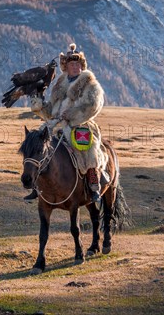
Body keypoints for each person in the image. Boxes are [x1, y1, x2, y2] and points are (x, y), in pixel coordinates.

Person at [24, 43, 107, 203]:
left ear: (82, 66)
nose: (75, 67)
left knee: (89, 150)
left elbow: (93, 106)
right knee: (36, 147)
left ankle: (94, 184)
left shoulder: (91, 85)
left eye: (77, 64)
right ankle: (35, 185)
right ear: (66, 67)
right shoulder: (59, 84)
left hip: (80, 125)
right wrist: (39, 105)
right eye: (71, 64)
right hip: (55, 125)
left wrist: (71, 114)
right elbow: (50, 111)